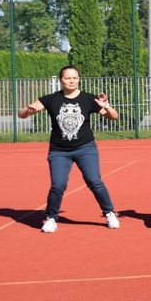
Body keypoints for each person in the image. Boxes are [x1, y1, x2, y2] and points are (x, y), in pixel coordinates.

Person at [17, 65, 121, 233]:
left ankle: (109, 213)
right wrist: (26, 111)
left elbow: (114, 117)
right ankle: (51, 218)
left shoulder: (89, 99)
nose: (71, 81)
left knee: (94, 181)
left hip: (86, 148)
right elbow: (21, 114)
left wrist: (107, 106)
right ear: (61, 80)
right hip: (59, 151)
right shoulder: (50, 99)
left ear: (79, 79)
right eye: (67, 78)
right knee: (58, 185)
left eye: (74, 78)